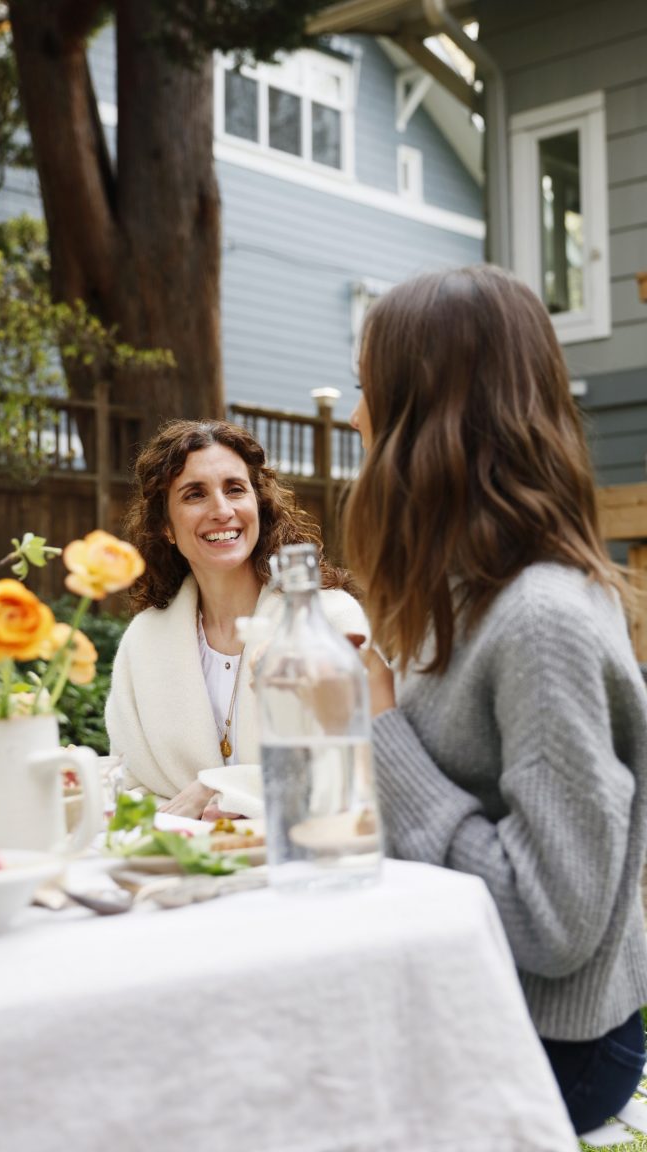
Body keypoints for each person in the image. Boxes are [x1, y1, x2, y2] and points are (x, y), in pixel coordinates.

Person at [344, 263, 647, 1136]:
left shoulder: (540, 621)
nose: (357, 415)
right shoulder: (462, 594)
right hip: (472, 990)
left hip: (556, 1044)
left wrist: (383, 733)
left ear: (428, 416)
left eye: (372, 392)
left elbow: (549, 923)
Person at [106, 418, 367, 819]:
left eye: (235, 489)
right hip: (182, 865)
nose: (222, 510)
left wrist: (226, 788)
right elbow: (129, 782)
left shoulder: (330, 621)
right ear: (166, 528)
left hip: (307, 857)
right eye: (195, 495)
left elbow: (363, 765)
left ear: (257, 504)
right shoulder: (143, 643)